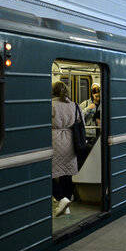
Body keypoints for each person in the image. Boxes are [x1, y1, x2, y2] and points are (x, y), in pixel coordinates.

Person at [51, 81, 84, 217]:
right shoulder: (75, 105)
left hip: (54, 139)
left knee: (48, 173)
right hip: (71, 140)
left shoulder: (50, 105)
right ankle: (66, 205)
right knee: (66, 173)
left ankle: (61, 198)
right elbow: (81, 121)